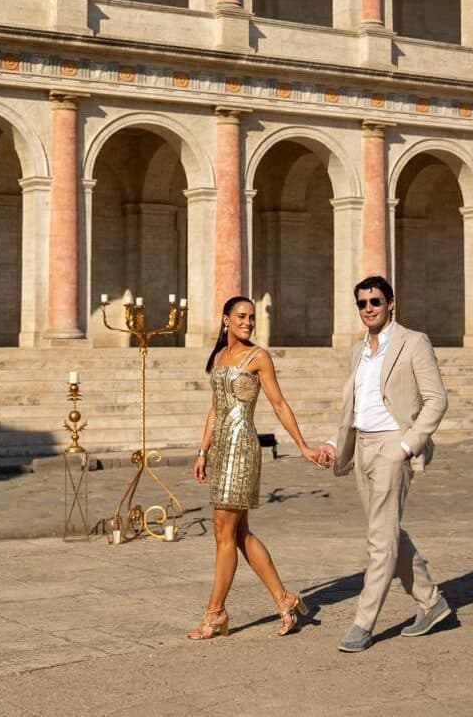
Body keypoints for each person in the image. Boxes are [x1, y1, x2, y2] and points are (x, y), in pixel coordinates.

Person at [317, 275, 451, 652]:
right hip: (363, 446)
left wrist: (406, 446)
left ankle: (363, 622)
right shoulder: (357, 351)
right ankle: (432, 602)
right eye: (361, 303)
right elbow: (354, 406)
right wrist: (334, 442)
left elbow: (436, 400)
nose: (368, 309)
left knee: (379, 539)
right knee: (388, 530)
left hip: (394, 445)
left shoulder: (413, 342)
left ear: (391, 303)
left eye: (375, 301)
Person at [188, 295, 321, 640]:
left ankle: (215, 613)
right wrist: (202, 451)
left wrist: (303, 445)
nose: (248, 322)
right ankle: (285, 599)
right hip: (220, 451)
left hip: (243, 449)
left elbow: (278, 404)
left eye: (252, 317)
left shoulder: (259, 356)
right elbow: (215, 410)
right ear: (226, 320)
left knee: (222, 531)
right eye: (242, 316)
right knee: (239, 533)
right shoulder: (219, 357)